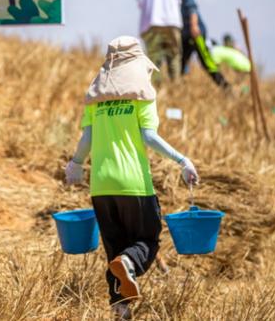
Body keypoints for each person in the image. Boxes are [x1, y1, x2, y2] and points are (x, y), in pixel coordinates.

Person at [65, 36, 199, 320]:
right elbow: (148, 136)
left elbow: (86, 137)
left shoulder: (97, 99)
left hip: (101, 186)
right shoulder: (142, 96)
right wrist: (182, 160)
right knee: (147, 240)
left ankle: (120, 308)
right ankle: (129, 263)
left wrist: (75, 164)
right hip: (134, 184)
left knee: (114, 251)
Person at [136, 0, 183, 84]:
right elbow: (179, 0)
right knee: (173, 56)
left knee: (153, 59)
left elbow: (140, 2)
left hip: (151, 23)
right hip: (172, 22)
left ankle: (156, 88)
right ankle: (176, 86)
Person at [178, 0, 230, 88]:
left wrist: (194, 25)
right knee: (181, 64)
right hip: (185, 35)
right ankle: (180, 90)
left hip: (196, 34)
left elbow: (192, 8)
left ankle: (226, 88)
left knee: (207, 62)